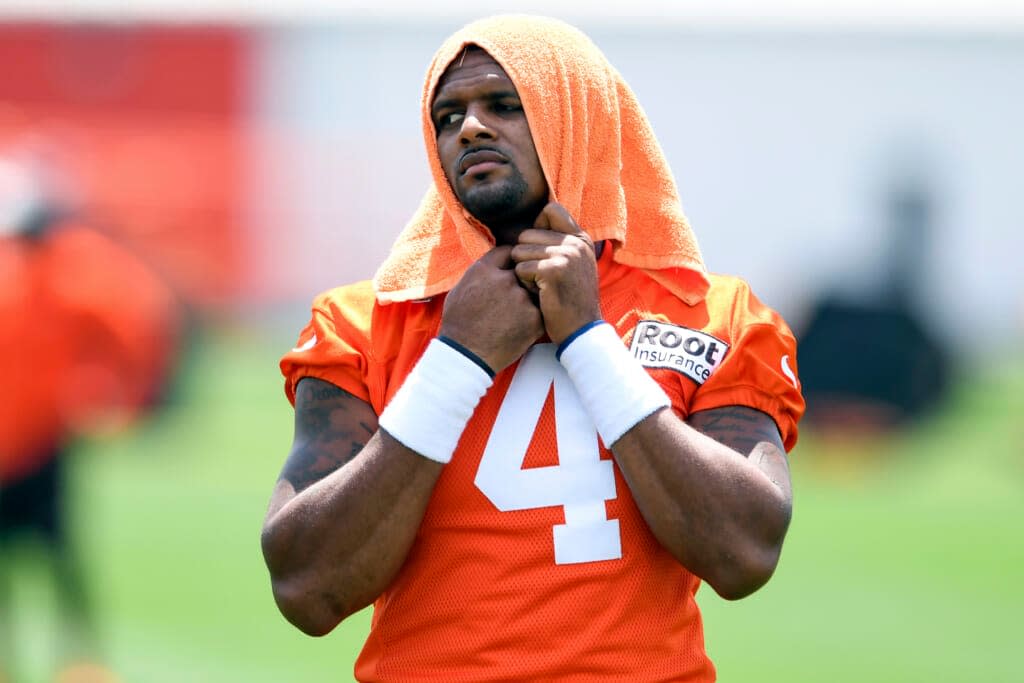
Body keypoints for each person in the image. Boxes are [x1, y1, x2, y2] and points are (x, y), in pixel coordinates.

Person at [262, 15, 805, 681]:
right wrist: (458, 357)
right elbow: (305, 586)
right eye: (448, 114)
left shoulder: (713, 315)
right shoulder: (363, 323)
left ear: (573, 112)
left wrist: (588, 339)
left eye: (503, 104)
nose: (470, 128)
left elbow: (744, 552)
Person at [0, 155, 181, 683]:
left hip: (41, 439)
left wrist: (121, 395)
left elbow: (138, 324)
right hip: (10, 439)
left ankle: (81, 661)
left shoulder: (80, 267)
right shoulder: (18, 267)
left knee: (60, 554)